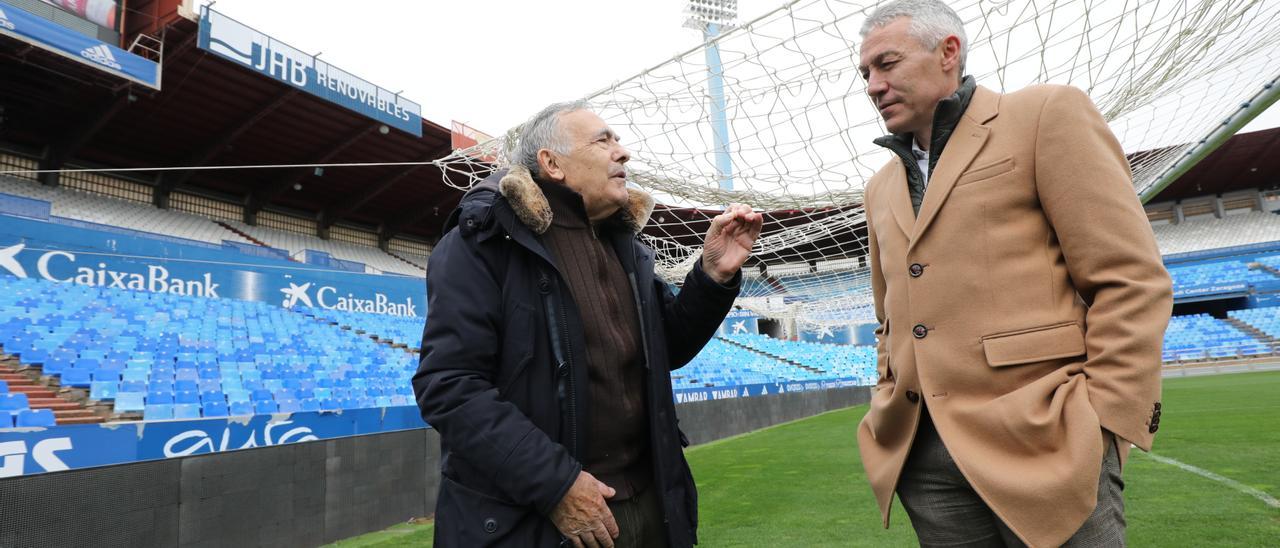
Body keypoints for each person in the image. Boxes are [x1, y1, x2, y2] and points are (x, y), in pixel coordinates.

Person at [853, 1, 1173, 546]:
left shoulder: (1046, 114)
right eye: (865, 74)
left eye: (887, 64)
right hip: (925, 459)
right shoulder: (879, 187)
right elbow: (890, 319)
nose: (873, 85)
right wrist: (888, 395)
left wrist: (1106, 419)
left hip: (1047, 439)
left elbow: (1129, 277)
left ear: (948, 52)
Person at [413, 100, 762, 548]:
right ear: (551, 164)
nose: (623, 153)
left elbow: (667, 347)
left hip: (650, 507)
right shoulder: (481, 244)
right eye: (604, 140)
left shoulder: (627, 250)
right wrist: (556, 483)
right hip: (545, 518)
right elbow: (449, 385)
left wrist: (711, 277)